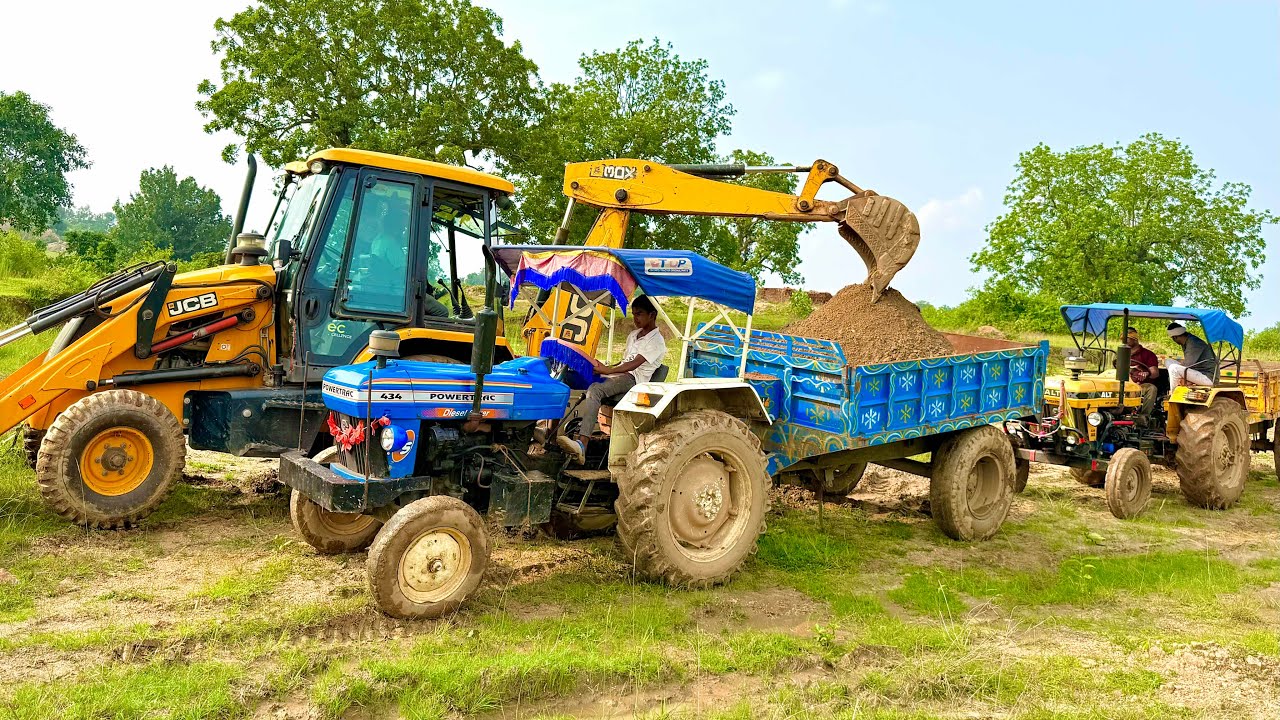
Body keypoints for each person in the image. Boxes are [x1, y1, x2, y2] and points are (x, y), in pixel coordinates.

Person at [556, 295, 665, 463]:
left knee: (595, 389)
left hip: (634, 380)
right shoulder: (634, 335)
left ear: (652, 315)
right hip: (621, 374)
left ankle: (582, 444)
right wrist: (603, 367)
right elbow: (624, 361)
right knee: (571, 378)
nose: (635, 318)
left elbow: (634, 365)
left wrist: (608, 370)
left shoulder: (657, 341)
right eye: (634, 314)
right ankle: (553, 433)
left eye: (639, 314)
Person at [1165, 322, 1217, 387]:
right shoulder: (1187, 340)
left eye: (1173, 338)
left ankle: (1173, 394)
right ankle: (1182, 383)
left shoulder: (1193, 343)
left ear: (1175, 337)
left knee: (1173, 369)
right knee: (1168, 361)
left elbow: (1187, 366)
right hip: (1198, 372)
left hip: (1208, 377)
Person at [1123, 328, 1161, 414]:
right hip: (1123, 385)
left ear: (1135, 338)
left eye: (1127, 337)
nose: (1124, 340)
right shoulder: (1121, 354)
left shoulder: (1148, 354)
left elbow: (1155, 373)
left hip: (1139, 386)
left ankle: (1144, 416)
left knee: (1152, 388)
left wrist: (1147, 373)